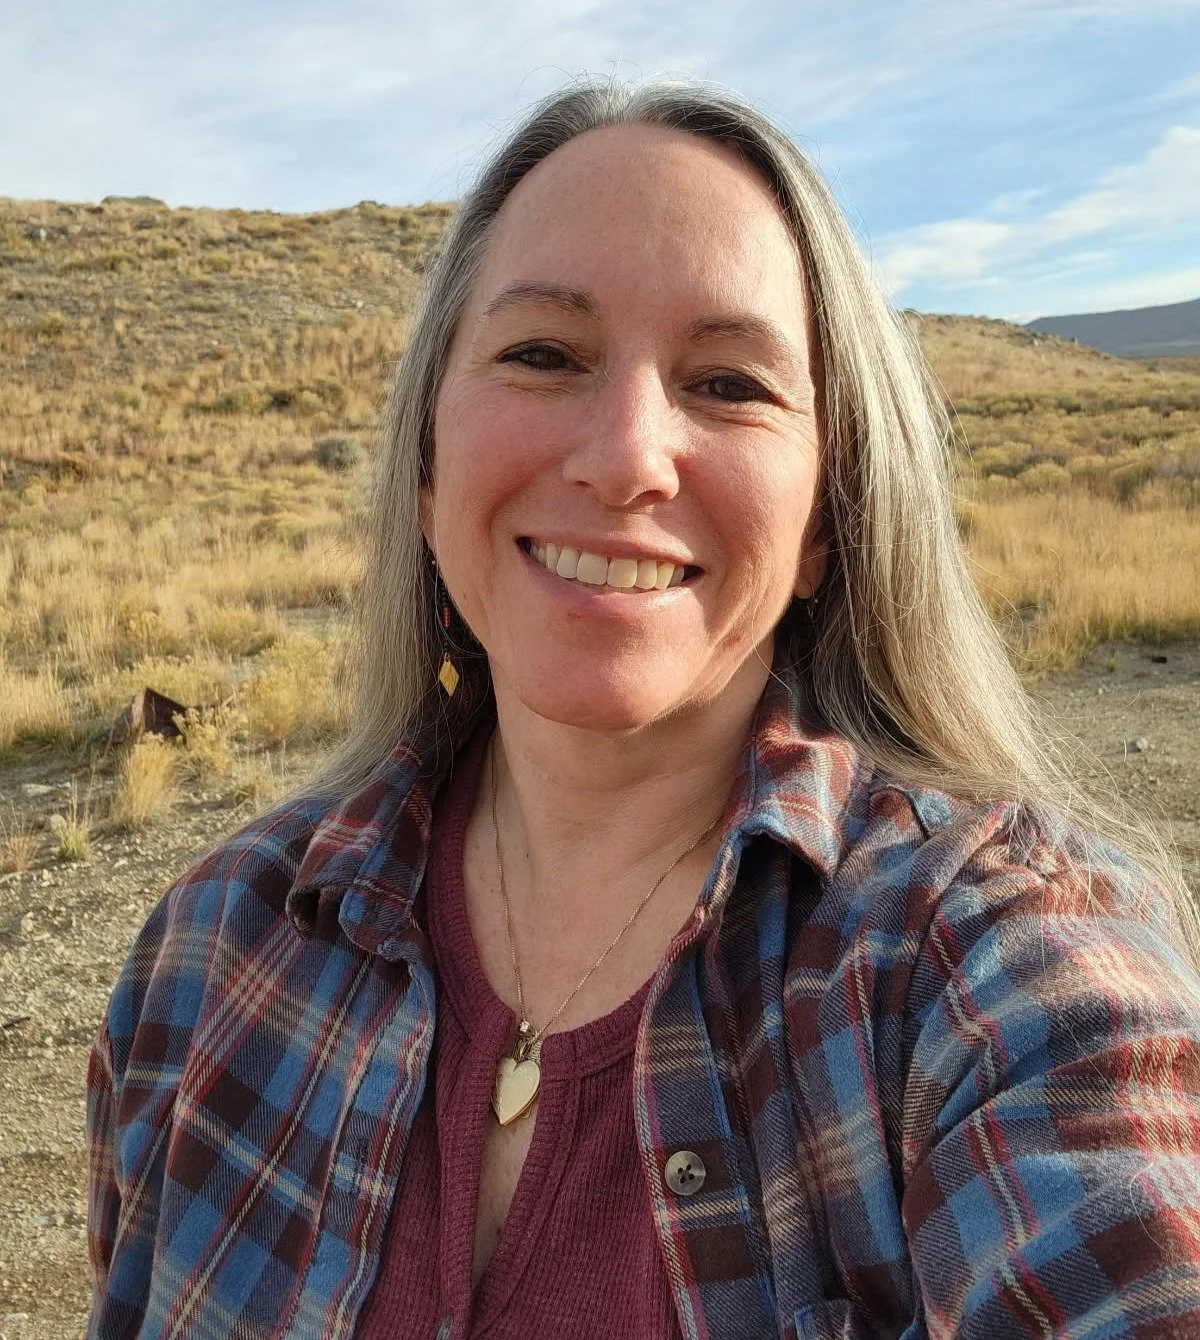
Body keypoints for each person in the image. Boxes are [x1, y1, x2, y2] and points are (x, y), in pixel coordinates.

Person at [86, 80, 1200, 1340]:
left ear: (825, 522)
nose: (625, 457)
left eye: (728, 381)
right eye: (542, 354)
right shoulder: (214, 951)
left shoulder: (988, 970)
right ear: (429, 462)